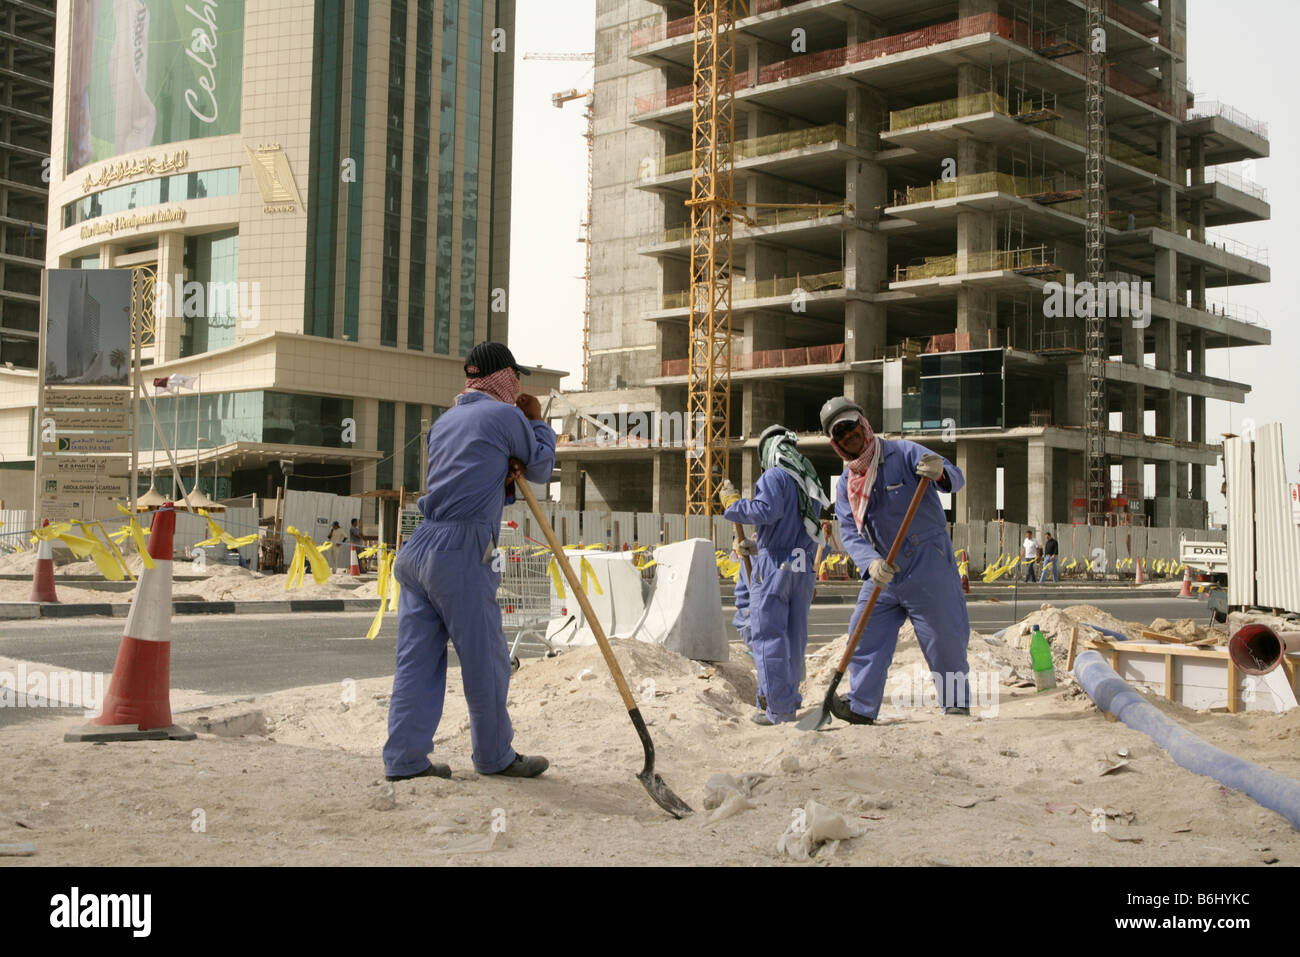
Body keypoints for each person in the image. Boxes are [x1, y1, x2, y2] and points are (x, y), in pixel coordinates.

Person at [382, 342, 556, 782]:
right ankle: (495, 756)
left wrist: (505, 467)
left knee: (417, 660)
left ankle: (404, 760)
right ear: (508, 378)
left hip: (419, 544)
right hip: (461, 549)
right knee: (486, 659)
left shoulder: (446, 420)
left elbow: (476, 469)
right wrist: (536, 422)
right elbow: (539, 468)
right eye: (517, 379)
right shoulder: (506, 415)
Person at [820, 396, 972, 723]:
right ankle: (861, 706)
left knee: (944, 639)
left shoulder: (904, 452)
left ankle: (957, 703)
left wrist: (940, 471)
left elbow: (956, 478)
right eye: (841, 434)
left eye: (852, 427)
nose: (850, 436)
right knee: (863, 633)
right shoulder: (847, 483)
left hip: (927, 564)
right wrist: (870, 563)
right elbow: (848, 530)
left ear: (863, 425)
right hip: (884, 572)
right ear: (837, 444)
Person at [719, 425, 829, 725]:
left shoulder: (775, 476)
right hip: (801, 564)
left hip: (776, 565)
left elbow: (766, 511)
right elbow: (796, 527)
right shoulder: (808, 480)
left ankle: (777, 708)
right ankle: (789, 700)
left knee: (769, 636)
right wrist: (757, 546)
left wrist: (733, 505)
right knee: (794, 637)